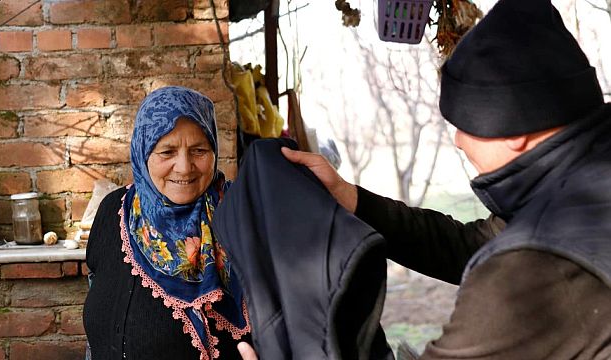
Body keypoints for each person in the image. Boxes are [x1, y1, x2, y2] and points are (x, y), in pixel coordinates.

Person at [238, 0, 611, 358]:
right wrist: (349, 197)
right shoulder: (581, 189)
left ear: (516, 127)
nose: (458, 141)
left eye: (465, 125)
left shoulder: (534, 267)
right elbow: (472, 244)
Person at [83, 86, 251, 360]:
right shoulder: (114, 211)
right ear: (143, 151)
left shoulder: (240, 216)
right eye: (167, 152)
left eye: (199, 150)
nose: (184, 167)